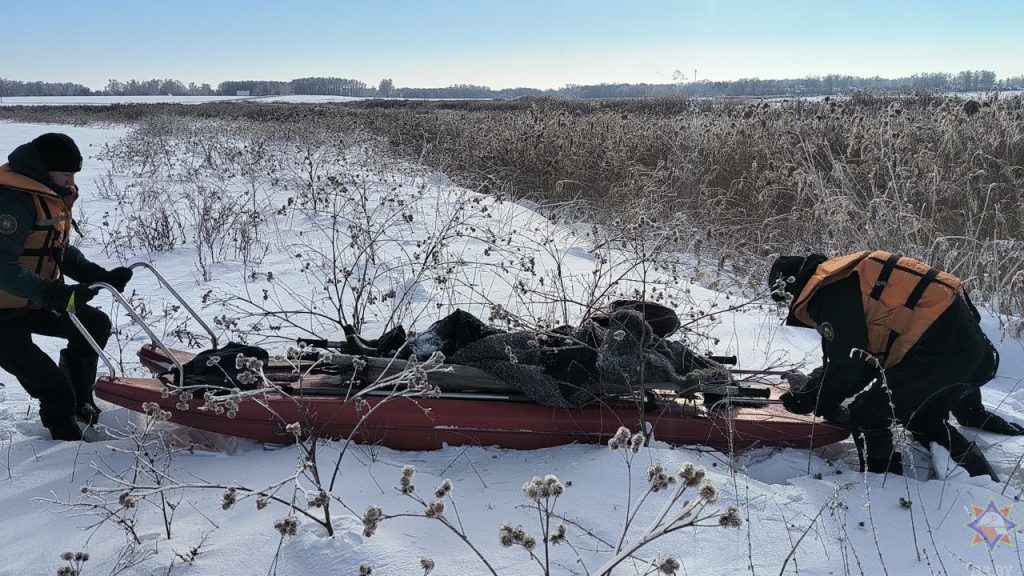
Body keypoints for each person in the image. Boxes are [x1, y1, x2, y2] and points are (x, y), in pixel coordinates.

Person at [769, 251, 1022, 481]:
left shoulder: (830, 294)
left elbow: (850, 368)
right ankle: (984, 481)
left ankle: (885, 487)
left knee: (867, 414)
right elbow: (865, 360)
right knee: (922, 418)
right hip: (965, 351)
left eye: (782, 300)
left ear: (790, 290)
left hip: (940, 352)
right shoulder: (847, 277)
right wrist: (819, 389)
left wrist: (811, 400)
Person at [0, 133, 133, 440]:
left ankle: (80, 400)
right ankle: (65, 442)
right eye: (66, 173)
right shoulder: (11, 200)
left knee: (94, 323)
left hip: (35, 302)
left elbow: (56, 249)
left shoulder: (50, 194)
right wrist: (55, 293)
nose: (70, 180)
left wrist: (99, 275)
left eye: (74, 173)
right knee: (52, 386)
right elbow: (3, 270)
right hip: (3, 313)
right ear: (42, 170)